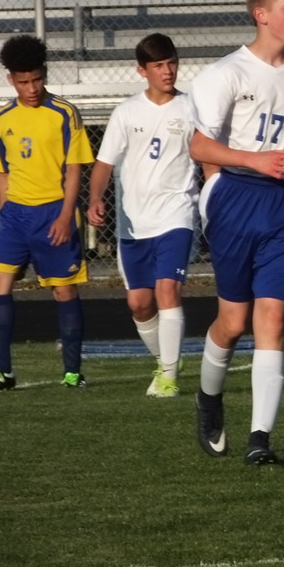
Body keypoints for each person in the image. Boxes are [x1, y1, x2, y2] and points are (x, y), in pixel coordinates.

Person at [188, 0, 284, 465]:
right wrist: (254, 160)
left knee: (271, 316)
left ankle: (259, 440)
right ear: (261, 14)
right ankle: (208, 399)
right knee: (232, 322)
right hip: (236, 198)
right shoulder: (223, 74)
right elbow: (200, 146)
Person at [0, 35, 94, 392]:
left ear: (44, 74)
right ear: (11, 79)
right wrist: (5, 214)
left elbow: (74, 169)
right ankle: (1, 371)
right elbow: (3, 172)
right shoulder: (3, 117)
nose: (32, 88)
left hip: (54, 212)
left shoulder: (64, 113)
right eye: (23, 82)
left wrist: (66, 216)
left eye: (37, 79)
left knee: (63, 292)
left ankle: (73, 372)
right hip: (15, 217)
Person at [87, 33, 201, 399]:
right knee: (139, 303)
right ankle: (167, 360)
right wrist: (95, 198)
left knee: (167, 289)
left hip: (176, 214)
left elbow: (209, 155)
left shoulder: (191, 108)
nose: (168, 71)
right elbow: (104, 164)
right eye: (159, 65)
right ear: (142, 71)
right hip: (133, 222)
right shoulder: (126, 112)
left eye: (172, 63)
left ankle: (168, 377)